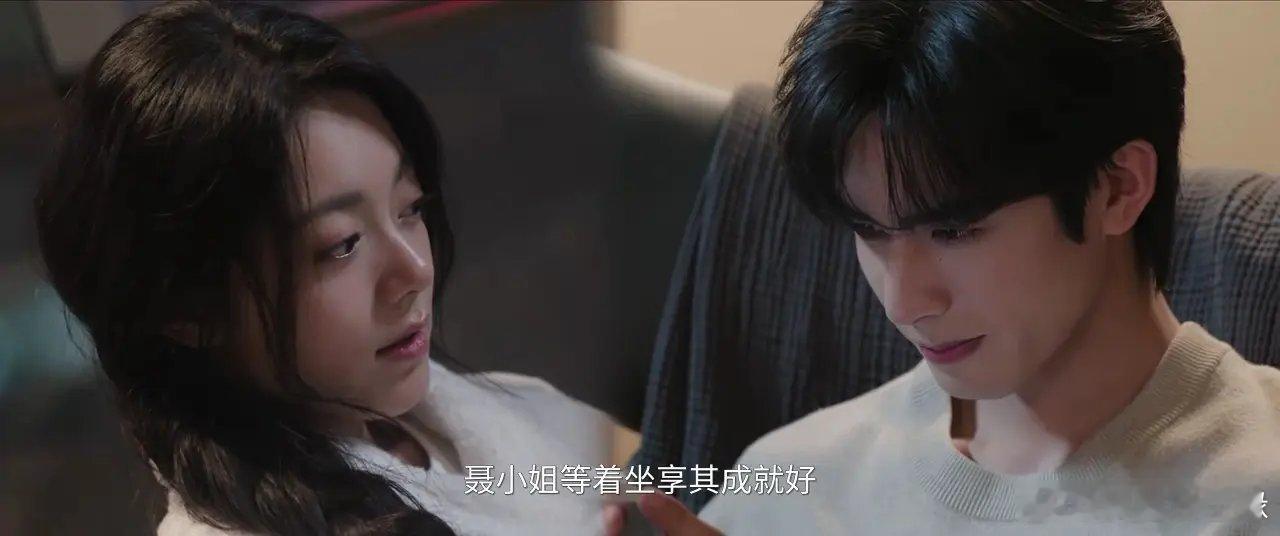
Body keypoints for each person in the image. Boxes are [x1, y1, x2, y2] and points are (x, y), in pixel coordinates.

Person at [607, 1, 1280, 534]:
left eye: (954, 230)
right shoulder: (791, 484)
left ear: (1118, 188)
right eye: (869, 230)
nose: (905, 303)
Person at [35, 2, 612, 534]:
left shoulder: (463, 422)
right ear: (187, 305)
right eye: (342, 245)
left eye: (410, 208)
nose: (415, 270)